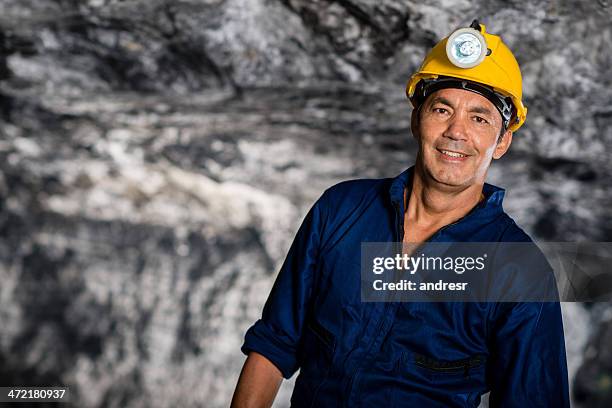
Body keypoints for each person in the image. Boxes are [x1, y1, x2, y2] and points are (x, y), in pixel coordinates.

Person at [231, 20, 569, 407]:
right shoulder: (341, 209)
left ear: (502, 141)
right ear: (416, 119)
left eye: (480, 118)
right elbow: (274, 343)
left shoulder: (519, 271)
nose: (456, 131)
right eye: (442, 109)